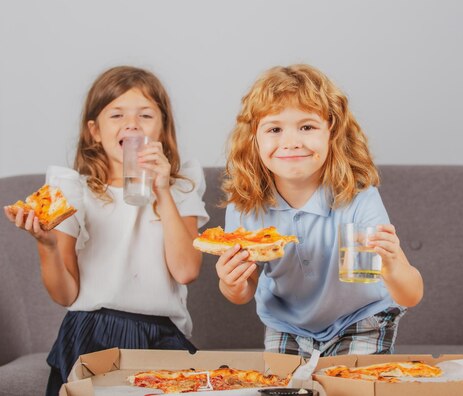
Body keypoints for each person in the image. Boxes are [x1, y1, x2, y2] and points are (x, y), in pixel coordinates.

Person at [3, 66, 209, 395]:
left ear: (162, 129)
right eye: (116, 115)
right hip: (91, 328)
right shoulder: (74, 192)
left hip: (162, 333)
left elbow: (186, 271)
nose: (132, 124)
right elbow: (66, 294)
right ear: (94, 131)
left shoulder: (180, 188)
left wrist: (162, 191)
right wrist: (47, 244)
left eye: (145, 114)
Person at [216, 64, 423, 358]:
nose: (291, 142)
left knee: (348, 389)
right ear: (253, 140)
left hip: (362, 319)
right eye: (274, 129)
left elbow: (411, 294)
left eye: (307, 127)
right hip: (286, 324)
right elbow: (242, 291)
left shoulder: (358, 197)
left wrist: (391, 266)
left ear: (332, 133)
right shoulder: (245, 203)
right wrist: (230, 282)